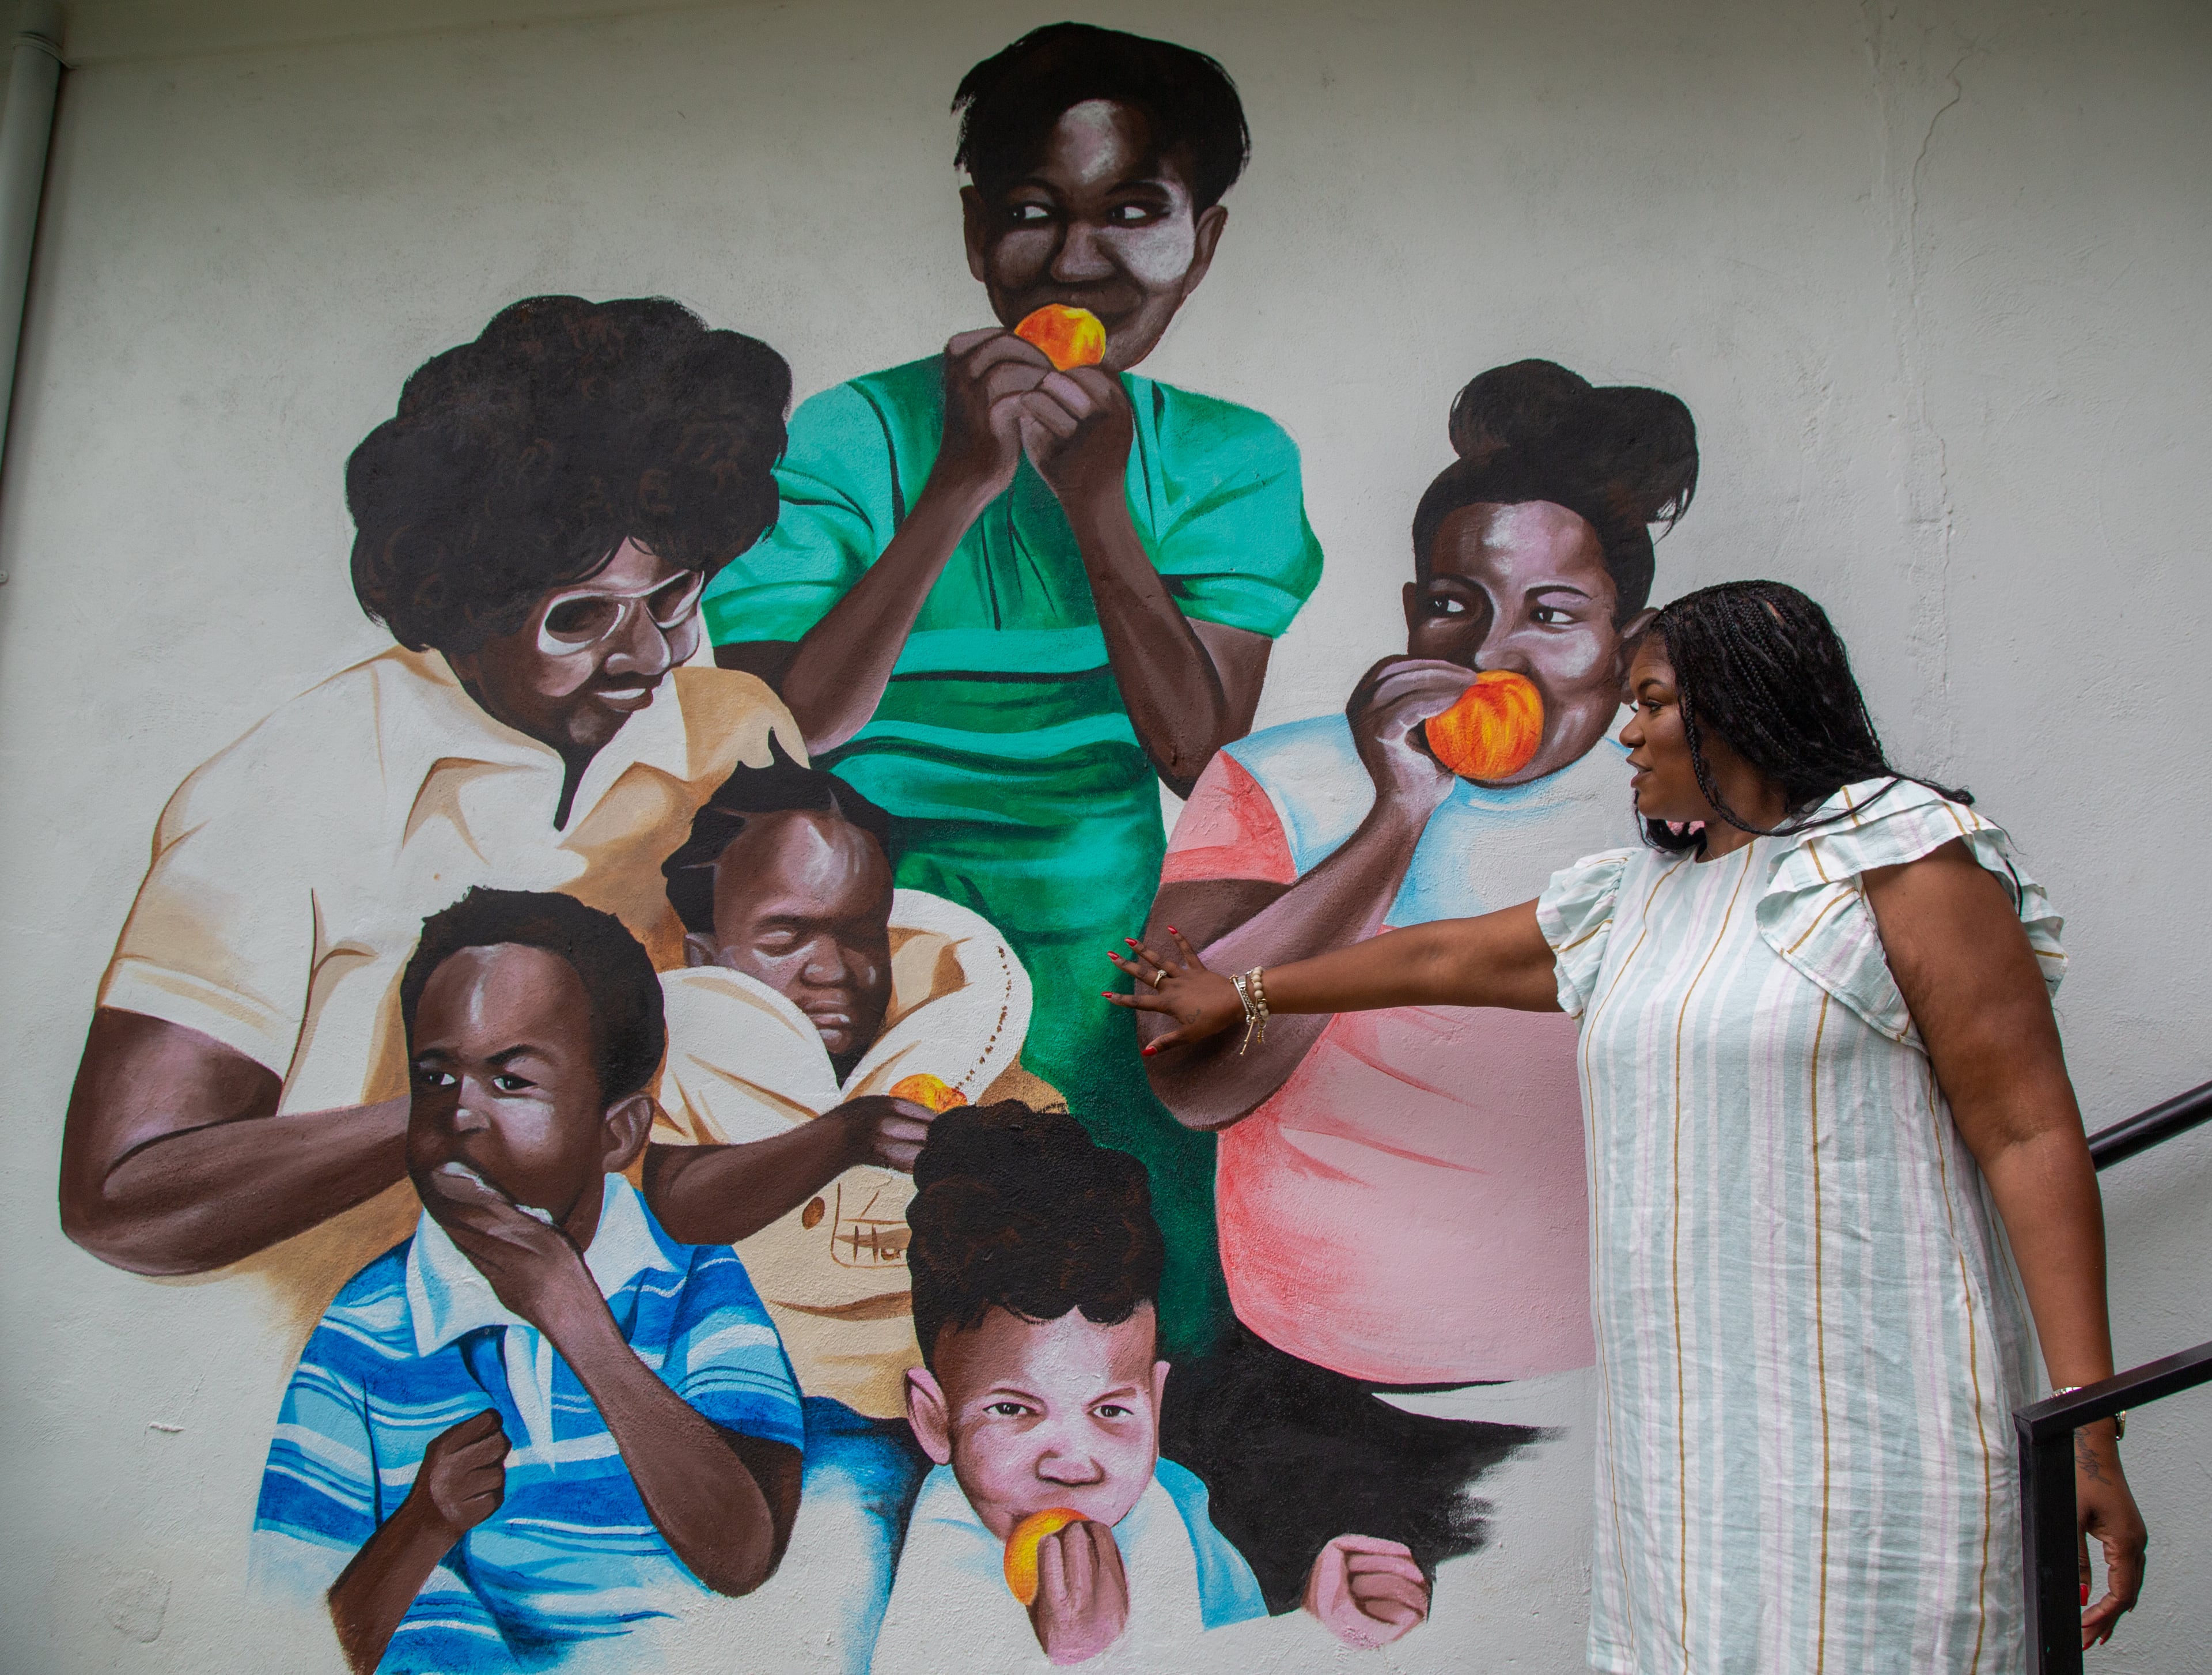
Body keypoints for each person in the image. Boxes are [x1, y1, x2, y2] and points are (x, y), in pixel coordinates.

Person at [1111, 580, 2149, 1671]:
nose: (1626, 731)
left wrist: (2091, 1417)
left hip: (1883, 1419)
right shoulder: (1638, 899)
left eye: (1651, 702)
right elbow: (1437, 957)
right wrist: (1245, 994)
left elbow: (2029, 1135)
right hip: (1689, 1439)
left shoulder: (1900, 865)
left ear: (1740, 705)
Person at [702, 22, 1325, 1357]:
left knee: (1126, 1308)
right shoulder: (848, 437)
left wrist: (1097, 509)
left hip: (1099, 949)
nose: (1081, 260)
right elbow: (785, 732)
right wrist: (959, 486)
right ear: (978, 228)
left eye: (1134, 213)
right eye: (1036, 213)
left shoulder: (1225, 459)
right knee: (868, 1315)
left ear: (1200, 240)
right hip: (857, 940)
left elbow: (1198, 752)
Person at [59, 296, 802, 1307]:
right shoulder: (293, 790)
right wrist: (465, 1107)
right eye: (578, 618)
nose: (648, 655)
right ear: (466, 606)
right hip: (358, 1374)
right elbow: (123, 1196)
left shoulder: (735, 737)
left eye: (673, 596)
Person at [1146, 358, 1694, 1387]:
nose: (1493, 654)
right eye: (1456, 603)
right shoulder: (1279, 782)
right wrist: (1395, 813)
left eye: (1553, 614)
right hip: (1315, 1383)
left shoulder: (1673, 800)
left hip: (1618, 1379)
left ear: (1624, 643)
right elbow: (1191, 1078)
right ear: (1411, 610)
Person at [251, 890, 805, 1673]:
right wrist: (425, 1523)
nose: (462, 1114)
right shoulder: (365, 1329)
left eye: (511, 1081)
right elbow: (288, 1636)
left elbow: (744, 1552)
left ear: (617, 1134)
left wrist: (571, 1312)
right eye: (437, 1076)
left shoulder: (691, 1280)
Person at [642, 747, 1059, 1670]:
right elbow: (678, 1201)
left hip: (925, 1413)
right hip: (752, 1416)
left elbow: (1058, 1191)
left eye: (861, 933)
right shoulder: (683, 1064)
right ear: (706, 958)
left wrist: (989, 1166)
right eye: (787, 937)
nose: (835, 969)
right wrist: (843, 1135)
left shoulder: (959, 1053)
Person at [868, 1103, 1430, 1673]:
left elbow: (1230, 1650)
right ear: (935, 1420)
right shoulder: (939, 1563)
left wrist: (1318, 1624)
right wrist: (1088, 1659)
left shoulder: (1179, 1507)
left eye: (1111, 1410)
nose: (1072, 1463)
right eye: (1013, 1409)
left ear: (1155, 1406)